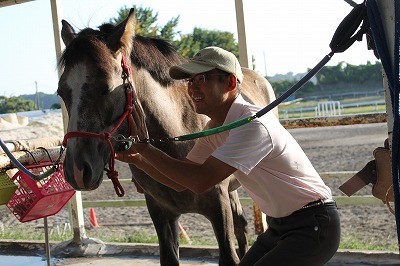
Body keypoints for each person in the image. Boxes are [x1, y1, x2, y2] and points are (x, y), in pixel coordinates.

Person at [115, 46, 341, 265]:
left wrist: (146, 149)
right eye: (189, 80)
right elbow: (180, 183)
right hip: (281, 226)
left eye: (201, 79)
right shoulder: (218, 127)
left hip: (312, 224)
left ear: (231, 82)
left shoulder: (252, 126)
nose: (192, 88)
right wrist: (139, 160)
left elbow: (200, 181)